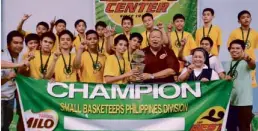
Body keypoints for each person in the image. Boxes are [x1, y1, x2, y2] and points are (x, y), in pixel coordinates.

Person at [225, 39, 255, 131]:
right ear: (229, 50)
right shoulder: (227, 64)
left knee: (244, 128)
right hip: (231, 103)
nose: (234, 50)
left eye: (238, 48)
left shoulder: (246, 62)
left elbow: (253, 65)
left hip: (244, 103)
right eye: (232, 48)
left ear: (243, 50)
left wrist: (248, 59)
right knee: (230, 128)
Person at [1, 31, 25, 131]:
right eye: (15, 43)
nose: (19, 45)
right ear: (8, 44)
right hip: (1, 98)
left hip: (10, 97)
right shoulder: (3, 56)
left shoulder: (19, 56)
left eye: (21, 43)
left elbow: (17, 73)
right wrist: (7, 78)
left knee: (7, 126)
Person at [228, 10, 258, 87]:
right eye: (243, 17)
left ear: (251, 19)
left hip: (249, 62)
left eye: (248, 17)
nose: (246, 19)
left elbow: (254, 47)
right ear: (239, 21)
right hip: (237, 62)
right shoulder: (234, 33)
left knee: (250, 86)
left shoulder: (255, 33)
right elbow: (229, 47)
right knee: (237, 85)